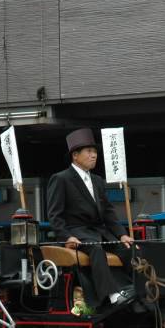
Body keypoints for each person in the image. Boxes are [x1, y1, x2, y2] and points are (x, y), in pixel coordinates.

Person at [46, 128, 134, 308]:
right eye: (89, 151)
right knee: (96, 249)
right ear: (75, 155)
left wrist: (122, 234)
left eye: (95, 152)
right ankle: (111, 294)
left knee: (129, 249)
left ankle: (138, 289)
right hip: (77, 233)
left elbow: (108, 212)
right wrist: (66, 237)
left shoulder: (97, 180)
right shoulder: (61, 178)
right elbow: (54, 214)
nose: (94, 155)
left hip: (101, 232)